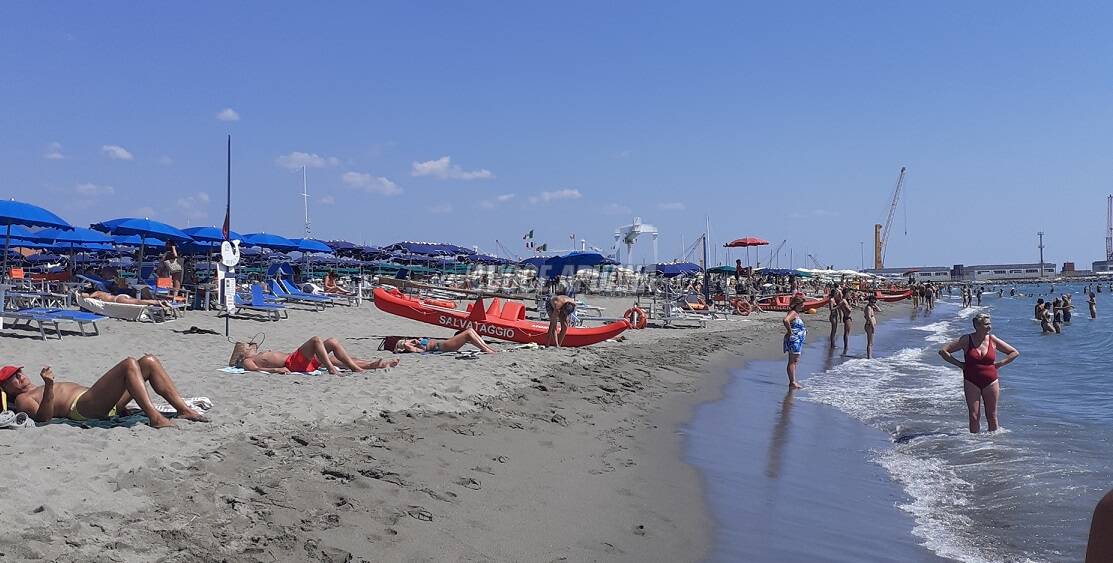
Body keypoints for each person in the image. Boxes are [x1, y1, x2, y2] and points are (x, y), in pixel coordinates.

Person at [0, 356, 209, 428]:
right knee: (129, 364)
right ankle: (155, 417)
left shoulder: (34, 388)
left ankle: (183, 410)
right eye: (14, 378)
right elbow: (44, 418)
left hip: (99, 401)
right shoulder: (23, 400)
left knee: (148, 362)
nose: (21, 376)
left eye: (19, 373)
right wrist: (50, 387)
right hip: (81, 408)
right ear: (6, 388)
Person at [938, 313, 1019, 433]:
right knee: (974, 416)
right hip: (971, 381)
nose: (989, 327)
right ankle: (975, 445)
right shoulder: (966, 339)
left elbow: (1014, 352)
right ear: (977, 325)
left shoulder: (993, 339)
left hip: (991, 381)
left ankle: (992, 446)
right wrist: (959, 364)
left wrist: (1000, 364)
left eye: (990, 324)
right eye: (986, 324)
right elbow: (943, 351)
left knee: (991, 415)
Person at [230, 336, 399, 374]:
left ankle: (374, 365)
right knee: (317, 340)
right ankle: (332, 369)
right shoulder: (248, 360)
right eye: (248, 347)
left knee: (333, 348)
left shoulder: (256, 353)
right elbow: (256, 370)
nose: (252, 347)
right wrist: (276, 370)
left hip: (299, 361)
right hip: (292, 363)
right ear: (243, 353)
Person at [394, 327, 496, 354]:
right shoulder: (412, 348)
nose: (409, 341)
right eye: (404, 342)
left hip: (445, 344)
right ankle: (486, 349)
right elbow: (407, 345)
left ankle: (487, 348)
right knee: (468, 333)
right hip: (444, 346)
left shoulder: (416, 344)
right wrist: (403, 344)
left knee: (470, 330)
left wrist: (414, 341)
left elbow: (412, 342)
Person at [782, 294, 806, 389]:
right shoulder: (793, 313)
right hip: (794, 340)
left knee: (795, 360)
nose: (803, 306)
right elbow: (785, 320)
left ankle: (793, 380)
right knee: (792, 361)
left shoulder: (795, 313)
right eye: (802, 304)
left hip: (797, 340)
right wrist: (790, 331)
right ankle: (792, 382)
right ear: (797, 304)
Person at [864, 294, 880, 359]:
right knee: (869, 342)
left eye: (874, 302)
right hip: (869, 325)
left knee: (871, 342)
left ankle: (870, 355)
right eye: (872, 302)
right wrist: (873, 327)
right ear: (869, 301)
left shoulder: (871, 307)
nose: (873, 303)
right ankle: (869, 356)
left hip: (870, 325)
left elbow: (879, 310)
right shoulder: (868, 308)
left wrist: (874, 305)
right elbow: (869, 317)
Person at [838, 288, 853, 355]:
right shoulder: (844, 301)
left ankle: (846, 346)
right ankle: (846, 346)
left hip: (847, 317)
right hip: (847, 317)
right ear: (846, 293)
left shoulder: (844, 300)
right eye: (849, 293)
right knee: (846, 333)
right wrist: (850, 307)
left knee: (846, 333)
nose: (849, 294)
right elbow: (849, 310)